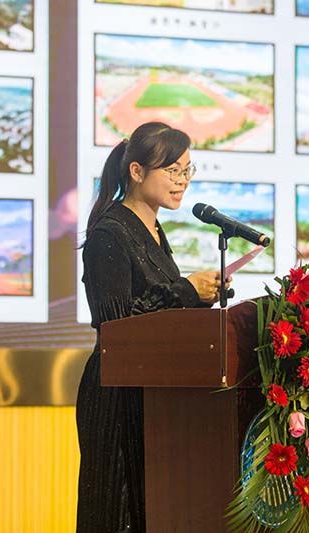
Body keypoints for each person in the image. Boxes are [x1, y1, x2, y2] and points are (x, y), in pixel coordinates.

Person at [76, 122, 227, 532]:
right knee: (116, 512)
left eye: (187, 170)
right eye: (172, 171)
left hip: (153, 394)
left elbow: (158, 314)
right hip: (117, 394)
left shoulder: (155, 230)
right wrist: (185, 291)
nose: (182, 181)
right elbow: (116, 325)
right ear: (137, 171)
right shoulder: (110, 232)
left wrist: (199, 298)